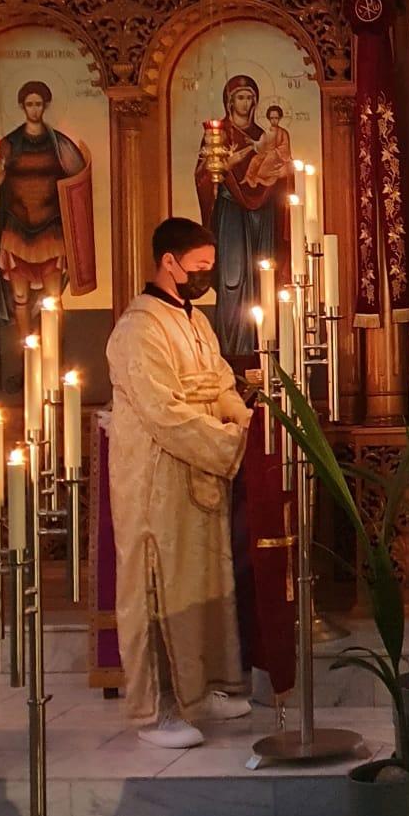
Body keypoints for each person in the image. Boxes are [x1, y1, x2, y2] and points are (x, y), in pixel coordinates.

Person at [105, 217, 253, 748]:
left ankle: (204, 688)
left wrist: (243, 419)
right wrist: (228, 441)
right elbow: (162, 411)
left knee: (203, 579)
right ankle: (158, 709)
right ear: (169, 262)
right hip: (157, 476)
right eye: (200, 266)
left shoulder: (196, 321)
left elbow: (221, 381)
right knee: (159, 586)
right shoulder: (137, 328)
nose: (207, 276)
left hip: (199, 470)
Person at [0, 81, 94, 340]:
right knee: (20, 296)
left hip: (51, 230)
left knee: (53, 297)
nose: (34, 109)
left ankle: (54, 351)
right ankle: (26, 352)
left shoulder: (59, 146)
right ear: (22, 107)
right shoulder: (8, 145)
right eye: (30, 104)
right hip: (15, 230)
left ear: (45, 106)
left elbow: (78, 185)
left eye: (39, 104)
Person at [194, 75, 289, 361]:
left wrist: (284, 174)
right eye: (240, 97)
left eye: (249, 97)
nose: (245, 103)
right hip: (231, 214)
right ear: (230, 101)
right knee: (232, 277)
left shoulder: (264, 135)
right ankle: (231, 352)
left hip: (263, 215)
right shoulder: (219, 136)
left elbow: (280, 171)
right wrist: (219, 170)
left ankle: (263, 351)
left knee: (261, 277)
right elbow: (204, 176)